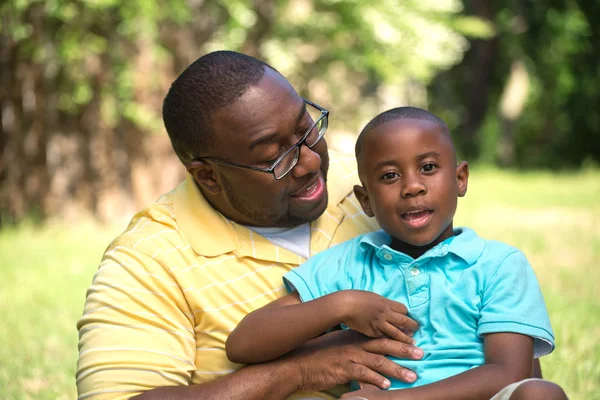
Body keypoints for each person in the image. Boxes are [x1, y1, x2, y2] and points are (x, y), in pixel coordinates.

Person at [76, 51, 427, 400]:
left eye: (305, 130)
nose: (309, 161)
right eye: (275, 158)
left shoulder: (369, 189)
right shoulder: (148, 261)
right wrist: (294, 372)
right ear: (208, 176)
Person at [226, 107, 568, 400]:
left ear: (460, 179)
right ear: (366, 201)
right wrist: (342, 305)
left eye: (429, 168)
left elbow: (509, 374)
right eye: (390, 176)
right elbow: (243, 344)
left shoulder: (497, 265)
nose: (412, 186)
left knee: (541, 394)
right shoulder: (349, 264)